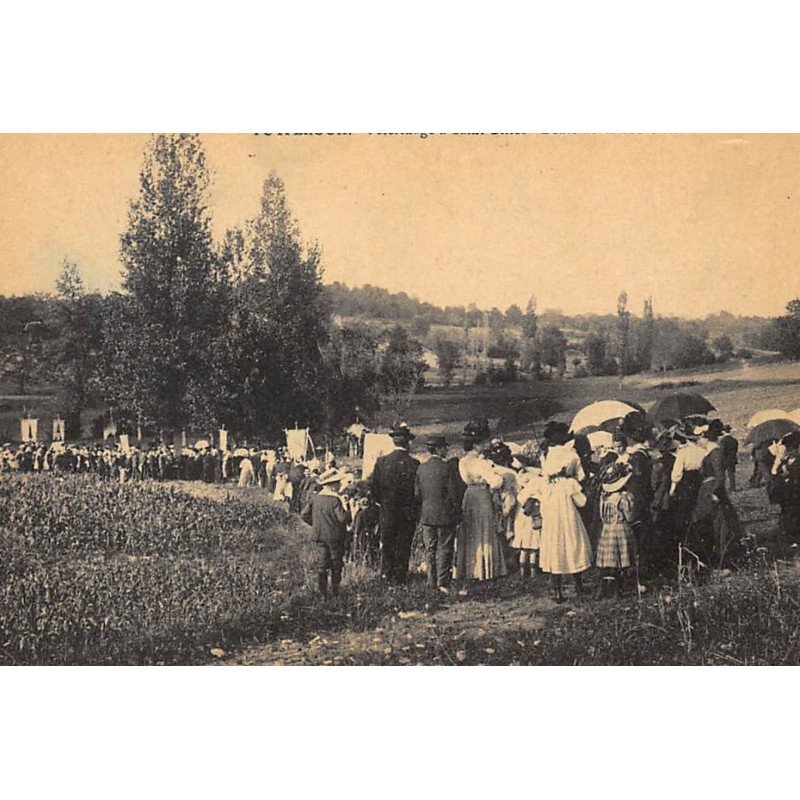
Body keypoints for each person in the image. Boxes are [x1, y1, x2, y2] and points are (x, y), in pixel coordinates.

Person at [538, 437, 592, 603]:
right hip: (569, 520)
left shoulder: (546, 484)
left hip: (552, 522)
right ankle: (578, 585)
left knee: (555, 550)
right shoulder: (569, 483)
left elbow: (541, 503)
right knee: (573, 546)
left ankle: (557, 591)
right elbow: (582, 502)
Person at [689, 419, 743, 570]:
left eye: (699, 438)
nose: (698, 441)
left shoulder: (715, 452)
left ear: (705, 437)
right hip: (707, 490)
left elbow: (720, 475)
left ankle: (725, 559)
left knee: (721, 525)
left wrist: (715, 492)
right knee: (712, 524)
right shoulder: (711, 452)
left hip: (713, 491)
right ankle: (715, 557)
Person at [371, 422, 420, 584]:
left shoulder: (382, 462)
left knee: (387, 543)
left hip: (387, 511)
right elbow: (417, 492)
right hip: (407, 513)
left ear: (394, 441)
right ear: (408, 443)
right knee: (403, 543)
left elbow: (374, 489)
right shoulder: (414, 464)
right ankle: (400, 577)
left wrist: (384, 504)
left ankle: (387, 574)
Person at [456, 440, 507, 583]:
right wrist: (499, 476)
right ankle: (485, 569)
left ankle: (470, 569)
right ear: (475, 444)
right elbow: (495, 482)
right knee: (485, 528)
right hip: (482, 495)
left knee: (471, 530)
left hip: (469, 494)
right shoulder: (482, 463)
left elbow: (465, 478)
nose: (484, 446)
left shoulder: (463, 461)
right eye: (482, 443)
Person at [414, 435, 458, 593]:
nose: (446, 450)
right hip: (445, 515)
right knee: (445, 548)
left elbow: (417, 494)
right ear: (439, 449)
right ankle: (442, 582)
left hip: (427, 515)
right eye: (444, 447)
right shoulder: (447, 468)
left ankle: (431, 582)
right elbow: (453, 494)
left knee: (430, 549)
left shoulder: (421, 468)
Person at [301, 468, 351, 598]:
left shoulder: (315, 498)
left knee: (322, 565)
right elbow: (343, 519)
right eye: (337, 483)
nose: (339, 485)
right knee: (336, 565)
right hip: (335, 537)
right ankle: (335, 592)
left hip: (319, 535)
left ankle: (323, 594)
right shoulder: (335, 500)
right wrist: (347, 507)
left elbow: (304, 514)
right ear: (331, 485)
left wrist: (315, 525)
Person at [596, 461, 637, 598]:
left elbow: (601, 516)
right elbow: (630, 516)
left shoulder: (604, 497)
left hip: (607, 529)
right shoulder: (623, 497)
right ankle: (617, 590)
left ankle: (602, 590)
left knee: (607, 561)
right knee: (620, 561)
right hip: (620, 529)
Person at [767, 431, 800, 551]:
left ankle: (795, 538)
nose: (789, 451)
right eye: (788, 449)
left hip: (796, 492)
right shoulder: (787, 461)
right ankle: (789, 536)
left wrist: (788, 474)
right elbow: (777, 472)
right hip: (788, 493)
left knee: (794, 515)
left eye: (791, 449)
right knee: (788, 515)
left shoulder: (797, 461)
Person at [512, 459, 544, 583]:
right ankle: (532, 573)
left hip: (522, 519)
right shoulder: (536, 489)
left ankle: (522, 572)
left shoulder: (521, 493)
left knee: (524, 548)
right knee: (533, 547)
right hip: (533, 519)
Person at [719, 425, 739, 493]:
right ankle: (733, 488)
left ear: (723, 431)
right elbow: (736, 450)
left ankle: (722, 489)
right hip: (732, 459)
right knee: (731, 474)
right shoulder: (734, 440)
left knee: (722, 475)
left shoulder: (723, 440)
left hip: (725, 460)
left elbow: (722, 451)